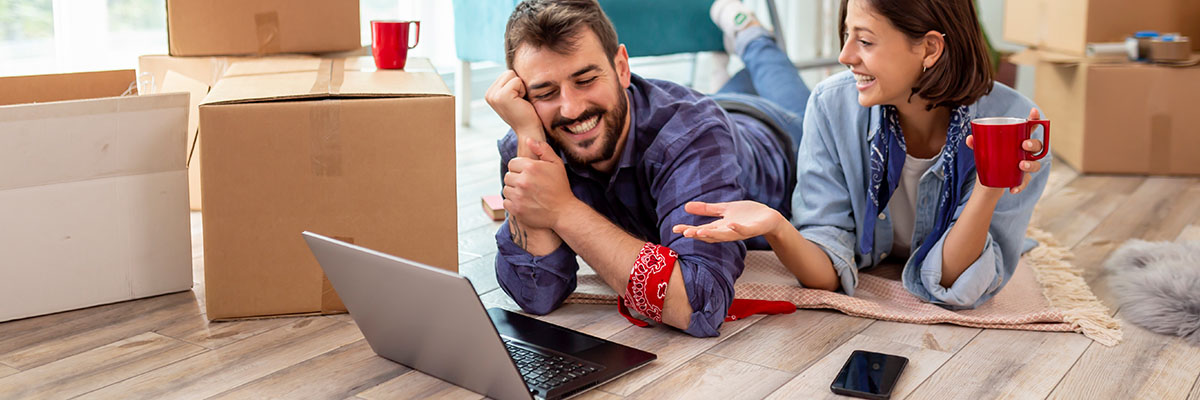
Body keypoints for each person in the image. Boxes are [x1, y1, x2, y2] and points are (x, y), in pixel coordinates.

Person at [675, 0, 1050, 309]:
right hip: (780, 124)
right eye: (846, 36)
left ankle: (748, 35)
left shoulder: (1015, 130)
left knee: (769, 84)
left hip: (782, 125)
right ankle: (747, 35)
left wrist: (990, 186)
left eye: (865, 41)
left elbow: (953, 282)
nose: (844, 55)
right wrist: (777, 225)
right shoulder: (831, 103)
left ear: (930, 48)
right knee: (743, 97)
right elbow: (826, 262)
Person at [489, 0, 810, 337]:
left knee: (771, 69)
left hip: (778, 134)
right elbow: (537, 296)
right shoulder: (530, 139)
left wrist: (563, 211)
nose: (570, 108)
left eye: (585, 80)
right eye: (546, 92)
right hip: (710, 109)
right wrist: (528, 140)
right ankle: (729, 64)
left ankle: (749, 32)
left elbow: (699, 304)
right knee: (730, 89)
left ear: (622, 67)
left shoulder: (693, 133)